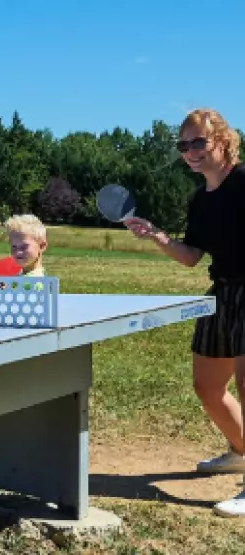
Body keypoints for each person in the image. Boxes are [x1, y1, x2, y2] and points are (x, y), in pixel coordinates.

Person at [124, 107, 245, 518]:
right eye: (183, 145)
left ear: (223, 141)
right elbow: (192, 255)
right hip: (223, 292)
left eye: (198, 142)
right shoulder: (200, 199)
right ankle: (240, 451)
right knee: (207, 387)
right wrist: (156, 236)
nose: (190, 151)